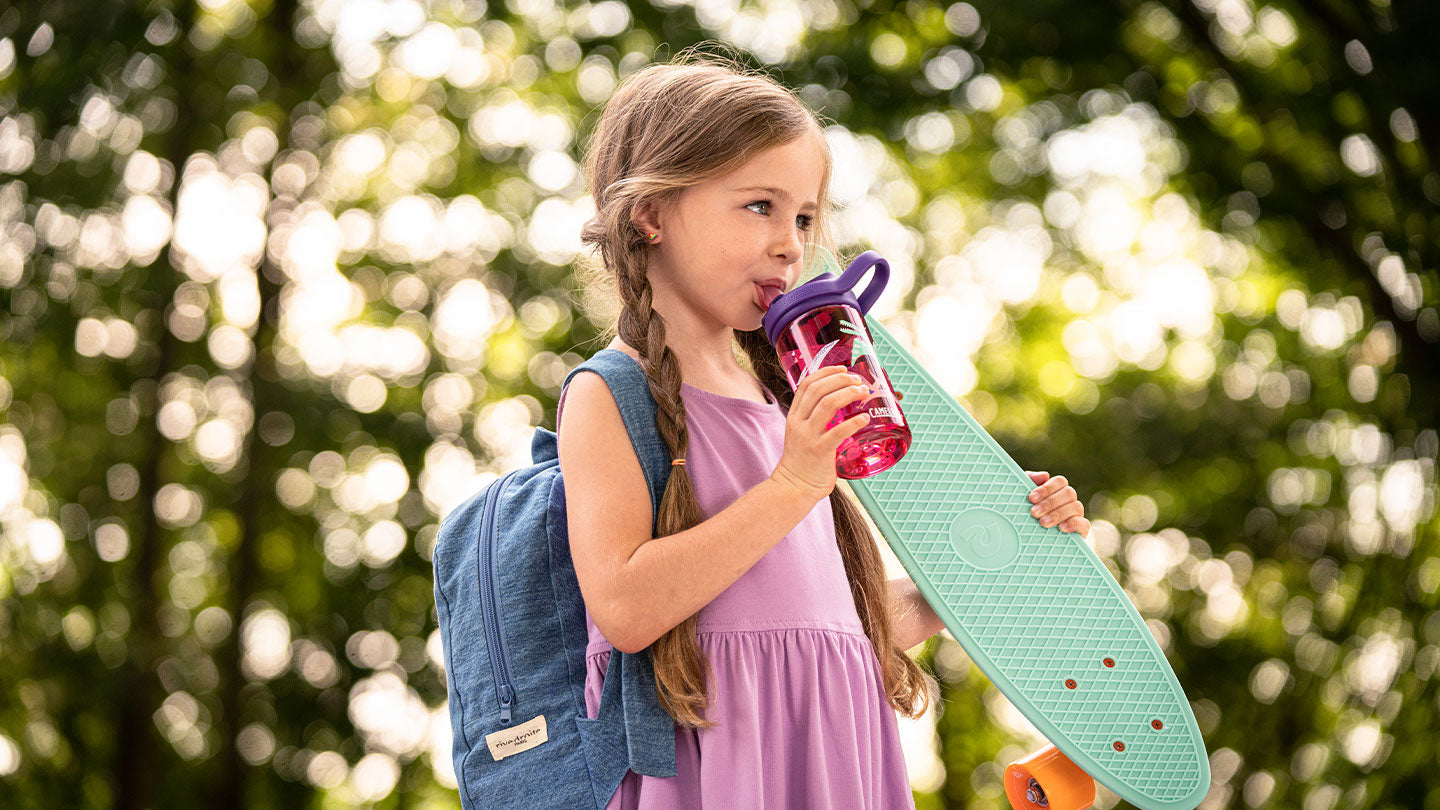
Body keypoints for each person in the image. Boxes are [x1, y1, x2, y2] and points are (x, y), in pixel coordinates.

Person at [555, 44, 1090, 808]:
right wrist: (794, 484)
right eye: (759, 206)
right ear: (650, 214)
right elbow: (628, 608)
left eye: (804, 216)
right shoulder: (611, 395)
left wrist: (989, 564)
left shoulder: (785, 396)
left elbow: (834, 628)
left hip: (839, 759)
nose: (791, 242)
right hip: (721, 769)